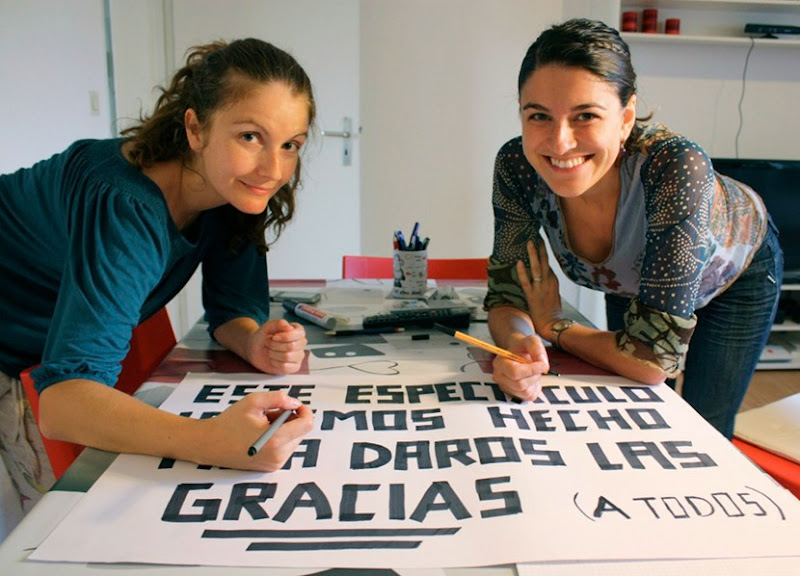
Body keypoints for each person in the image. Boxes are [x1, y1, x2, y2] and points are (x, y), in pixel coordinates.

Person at [0, 38, 316, 519]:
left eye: (290, 144)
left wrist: (252, 341)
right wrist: (213, 440)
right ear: (195, 128)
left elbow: (232, 308)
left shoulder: (234, 191)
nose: (274, 169)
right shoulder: (125, 203)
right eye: (250, 136)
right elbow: (64, 403)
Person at [484, 18, 783, 439]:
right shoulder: (517, 166)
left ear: (625, 118)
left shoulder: (674, 167)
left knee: (703, 427)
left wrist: (553, 327)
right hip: (638, 281)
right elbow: (508, 295)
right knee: (630, 405)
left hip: (736, 274)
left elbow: (651, 360)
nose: (559, 142)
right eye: (538, 116)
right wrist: (517, 344)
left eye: (585, 115)